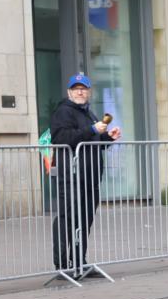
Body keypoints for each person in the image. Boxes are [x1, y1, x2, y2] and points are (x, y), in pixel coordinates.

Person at [49, 73, 121, 279]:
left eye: (84, 88)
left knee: (85, 220)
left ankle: (80, 262)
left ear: (89, 92)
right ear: (69, 92)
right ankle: (63, 265)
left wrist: (108, 137)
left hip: (90, 178)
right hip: (71, 176)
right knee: (67, 219)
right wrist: (91, 130)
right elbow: (61, 138)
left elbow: (93, 143)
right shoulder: (63, 112)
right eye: (76, 88)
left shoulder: (89, 113)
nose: (80, 91)